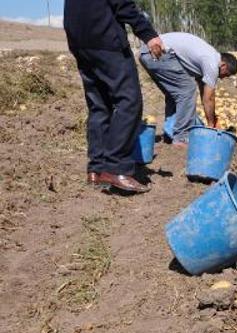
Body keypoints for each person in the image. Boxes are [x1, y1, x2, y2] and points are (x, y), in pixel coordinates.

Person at [64, 0, 164, 194]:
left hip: (79, 41)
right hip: (104, 37)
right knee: (129, 101)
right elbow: (122, 3)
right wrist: (148, 34)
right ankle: (116, 167)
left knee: (99, 105)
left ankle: (97, 169)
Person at [138, 32, 237, 147]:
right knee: (187, 89)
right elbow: (209, 98)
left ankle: (170, 133)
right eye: (227, 74)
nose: (223, 78)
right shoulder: (212, 63)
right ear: (224, 66)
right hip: (157, 51)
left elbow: (204, 92)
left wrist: (213, 118)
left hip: (148, 52)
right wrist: (211, 125)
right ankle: (181, 137)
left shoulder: (208, 58)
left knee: (176, 94)